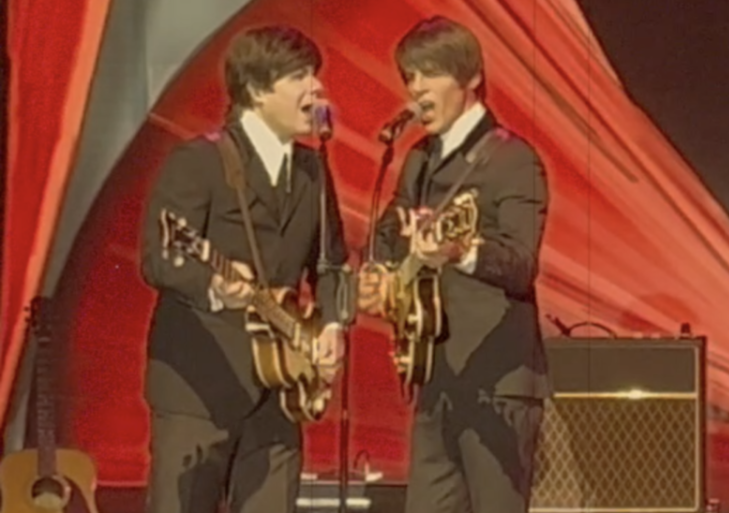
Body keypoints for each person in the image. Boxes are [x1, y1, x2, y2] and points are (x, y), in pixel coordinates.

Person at [137, 25, 348, 513]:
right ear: (255, 90)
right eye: (298, 76)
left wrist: (333, 325)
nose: (315, 88)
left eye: (314, 75)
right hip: (199, 386)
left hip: (281, 387)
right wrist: (213, 286)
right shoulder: (199, 161)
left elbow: (332, 264)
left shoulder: (314, 171)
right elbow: (158, 256)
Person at [356, 15, 550, 513]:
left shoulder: (512, 160)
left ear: (469, 78)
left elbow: (520, 264)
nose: (416, 88)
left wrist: (460, 251)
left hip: (496, 383)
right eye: (410, 77)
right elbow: (387, 237)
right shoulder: (417, 159)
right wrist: (380, 279)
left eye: (429, 74)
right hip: (434, 373)